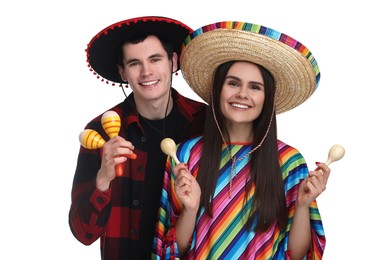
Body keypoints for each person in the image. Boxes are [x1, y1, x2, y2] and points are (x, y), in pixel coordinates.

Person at [152, 21, 329, 259]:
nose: (242, 94)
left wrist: (302, 205)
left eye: (255, 87)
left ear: (267, 98)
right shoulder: (185, 156)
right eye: (233, 83)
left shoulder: (288, 161)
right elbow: (174, 250)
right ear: (218, 90)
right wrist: (191, 209)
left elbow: (296, 255)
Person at [69, 16, 207, 259]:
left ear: (173, 61)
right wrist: (103, 179)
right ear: (123, 72)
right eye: (134, 63)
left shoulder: (205, 124)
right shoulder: (100, 132)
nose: (146, 72)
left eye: (155, 59)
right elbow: (83, 233)